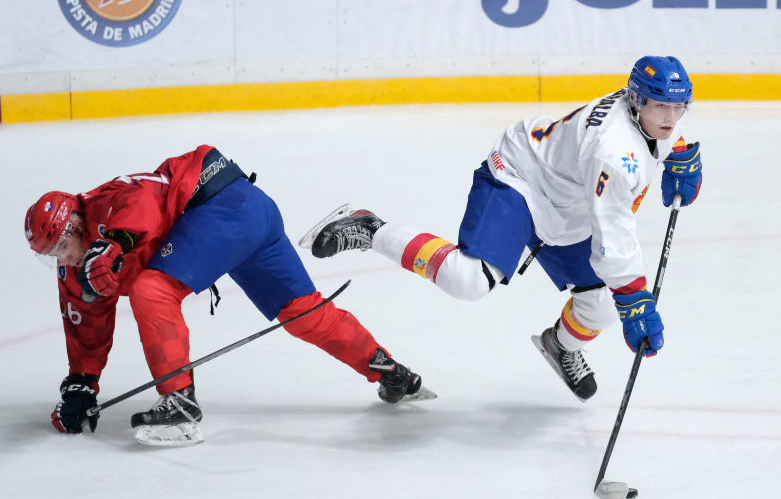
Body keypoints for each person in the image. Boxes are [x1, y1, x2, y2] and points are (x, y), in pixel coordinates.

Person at [303, 56, 702, 401]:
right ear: (636, 101)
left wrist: (681, 154)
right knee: (468, 281)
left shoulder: (646, 119)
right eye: (659, 107)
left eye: (678, 107)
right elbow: (613, 234)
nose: (669, 117)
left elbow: (669, 136)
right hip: (522, 176)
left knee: (598, 306)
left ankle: (559, 347)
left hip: (568, 205)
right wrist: (635, 298)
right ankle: (371, 228)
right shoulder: (615, 152)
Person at [25, 145, 433, 446]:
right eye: (54, 254)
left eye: (64, 244)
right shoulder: (75, 268)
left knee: (152, 291)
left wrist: (115, 242)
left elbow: (145, 199)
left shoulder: (108, 201)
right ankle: (392, 372)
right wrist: (81, 383)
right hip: (248, 217)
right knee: (303, 313)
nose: (65, 257)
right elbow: (86, 325)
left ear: (78, 218)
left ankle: (179, 404)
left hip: (222, 209)